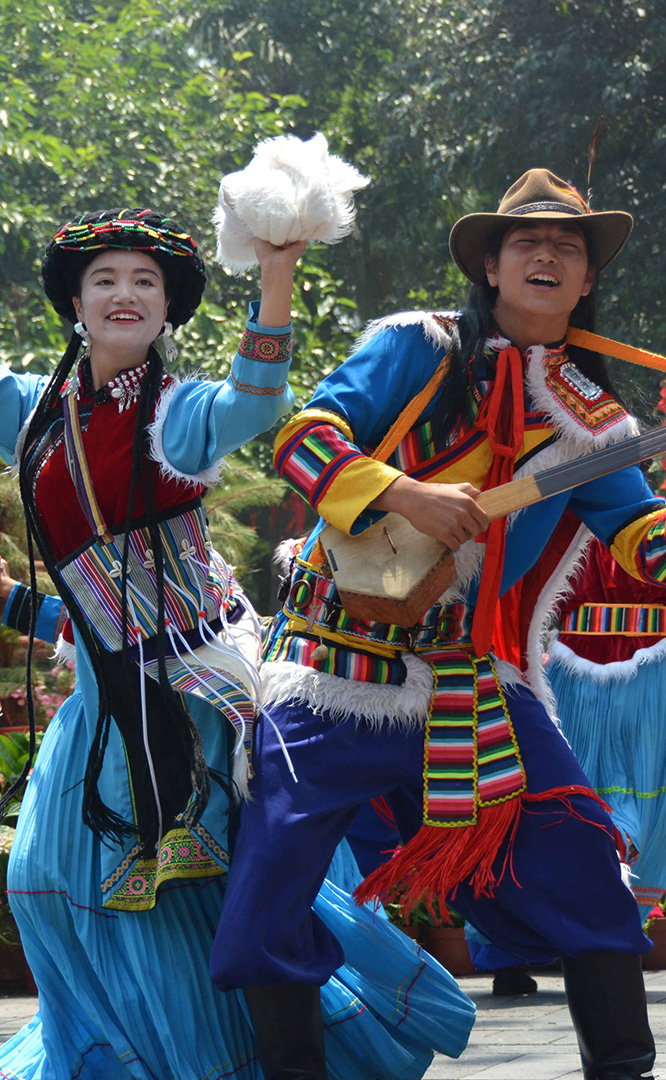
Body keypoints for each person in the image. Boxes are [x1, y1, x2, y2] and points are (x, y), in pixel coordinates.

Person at [0, 212, 475, 1080]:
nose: (124, 294)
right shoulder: (33, 410)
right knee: (46, 882)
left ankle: (259, 1060)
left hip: (196, 686)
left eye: (145, 282)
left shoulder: (175, 414)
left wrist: (276, 275)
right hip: (104, 698)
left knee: (217, 892)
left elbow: (254, 402)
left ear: (167, 308)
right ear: (75, 302)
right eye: (105, 279)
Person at [211, 169, 663, 1080]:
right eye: (527, 242)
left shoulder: (597, 424)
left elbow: (642, 536)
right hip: (334, 666)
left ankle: (623, 1068)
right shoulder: (415, 347)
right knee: (271, 877)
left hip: (471, 676)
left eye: (567, 248)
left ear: (586, 282)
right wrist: (405, 494)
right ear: (491, 266)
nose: (546, 256)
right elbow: (303, 438)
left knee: (582, 857)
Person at [547, 536, 666, 912]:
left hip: (580, 671)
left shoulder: (564, 523)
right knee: (588, 797)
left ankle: (592, 916)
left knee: (570, 794)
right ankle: (610, 917)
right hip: (643, 671)